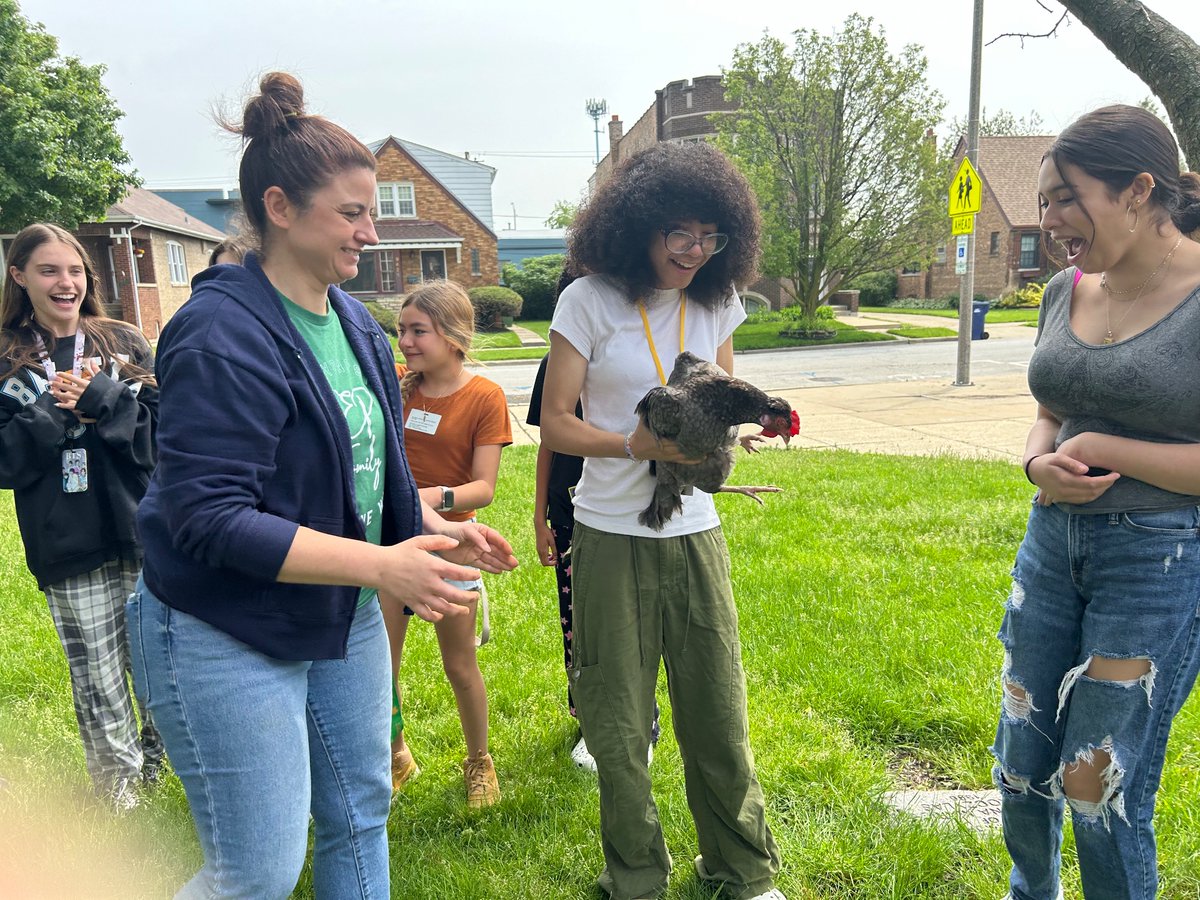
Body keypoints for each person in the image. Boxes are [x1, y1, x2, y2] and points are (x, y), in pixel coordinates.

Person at [125, 72, 516, 898]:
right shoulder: (220, 333)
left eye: (371, 213)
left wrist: (432, 532)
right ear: (279, 207)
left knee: (360, 809)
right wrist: (381, 568)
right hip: (219, 625)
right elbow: (207, 520)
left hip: (334, 616)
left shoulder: (358, 330)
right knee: (256, 871)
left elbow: (370, 479)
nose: (371, 233)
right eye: (352, 213)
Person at [540, 141, 784, 900]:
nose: (694, 251)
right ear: (636, 223)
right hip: (611, 533)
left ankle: (741, 871)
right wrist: (629, 444)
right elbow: (552, 424)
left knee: (716, 711)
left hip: (694, 533)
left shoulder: (716, 302)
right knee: (615, 724)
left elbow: (726, 393)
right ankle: (636, 877)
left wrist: (743, 428)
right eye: (680, 232)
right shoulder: (587, 302)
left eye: (711, 236)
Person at [997, 104, 1200, 900]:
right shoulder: (1064, 289)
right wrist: (1036, 458)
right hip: (1051, 548)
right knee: (1021, 765)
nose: (1049, 221)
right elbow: (1051, 404)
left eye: (1065, 198)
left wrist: (1102, 450)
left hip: (1157, 558)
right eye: (1043, 203)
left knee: (1097, 785)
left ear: (1139, 191)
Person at [0, 223, 163, 812]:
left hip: (142, 526)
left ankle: (160, 763)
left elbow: (161, 437)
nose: (65, 283)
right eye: (48, 271)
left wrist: (101, 399)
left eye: (74, 270)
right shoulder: (5, 358)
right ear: (18, 276)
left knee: (157, 657)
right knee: (97, 670)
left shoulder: (123, 342)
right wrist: (50, 408)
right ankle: (119, 790)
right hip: (66, 540)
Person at [386, 280, 511, 807]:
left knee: (459, 664)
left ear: (454, 335)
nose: (406, 342)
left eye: (419, 331)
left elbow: (483, 486)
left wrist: (431, 496)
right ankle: (395, 754)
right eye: (402, 330)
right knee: (381, 665)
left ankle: (479, 760)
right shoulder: (394, 385)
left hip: (454, 544)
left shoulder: (484, 396)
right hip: (390, 545)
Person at [527, 325, 661, 773]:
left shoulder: (637, 362)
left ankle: (645, 721)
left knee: (634, 622)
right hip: (570, 516)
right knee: (579, 626)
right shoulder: (555, 363)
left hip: (628, 513)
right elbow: (548, 442)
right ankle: (590, 721)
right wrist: (540, 516)